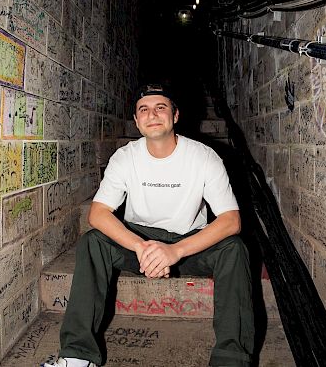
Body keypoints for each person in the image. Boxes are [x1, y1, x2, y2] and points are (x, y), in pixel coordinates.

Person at [43, 83, 254, 367]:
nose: (152, 114)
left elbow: (231, 220)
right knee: (93, 242)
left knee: (234, 249)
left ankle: (231, 360)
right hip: (139, 242)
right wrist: (141, 247)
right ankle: (78, 356)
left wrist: (175, 251)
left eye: (160, 107)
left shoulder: (204, 157)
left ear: (175, 116)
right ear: (136, 120)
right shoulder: (125, 157)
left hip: (189, 244)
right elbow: (98, 213)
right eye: (144, 109)